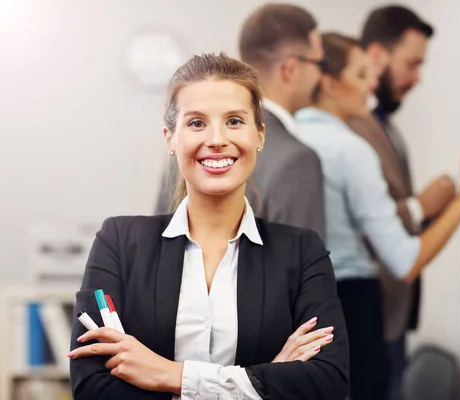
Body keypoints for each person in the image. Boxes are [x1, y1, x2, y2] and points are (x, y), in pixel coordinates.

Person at [68, 53, 349, 400]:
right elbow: (92, 389)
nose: (216, 139)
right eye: (197, 123)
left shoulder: (302, 251)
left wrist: (171, 375)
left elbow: (328, 382)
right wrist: (269, 380)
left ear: (260, 135)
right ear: (170, 138)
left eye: (234, 121)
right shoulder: (119, 241)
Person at [296, 33, 460, 400]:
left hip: (303, 314)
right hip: (351, 311)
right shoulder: (350, 150)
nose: (373, 83)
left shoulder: (284, 138)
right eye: (361, 74)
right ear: (329, 82)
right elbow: (406, 261)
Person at [347, 6, 455, 398]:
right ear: (376, 55)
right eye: (412, 64)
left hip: (392, 314)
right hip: (365, 316)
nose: (417, 78)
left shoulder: (384, 123)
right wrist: (422, 206)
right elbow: (358, 223)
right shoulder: (349, 127)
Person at [237, 4, 326, 240]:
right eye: (319, 64)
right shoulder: (297, 160)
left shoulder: (188, 143)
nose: (321, 76)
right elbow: (301, 272)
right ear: (291, 69)